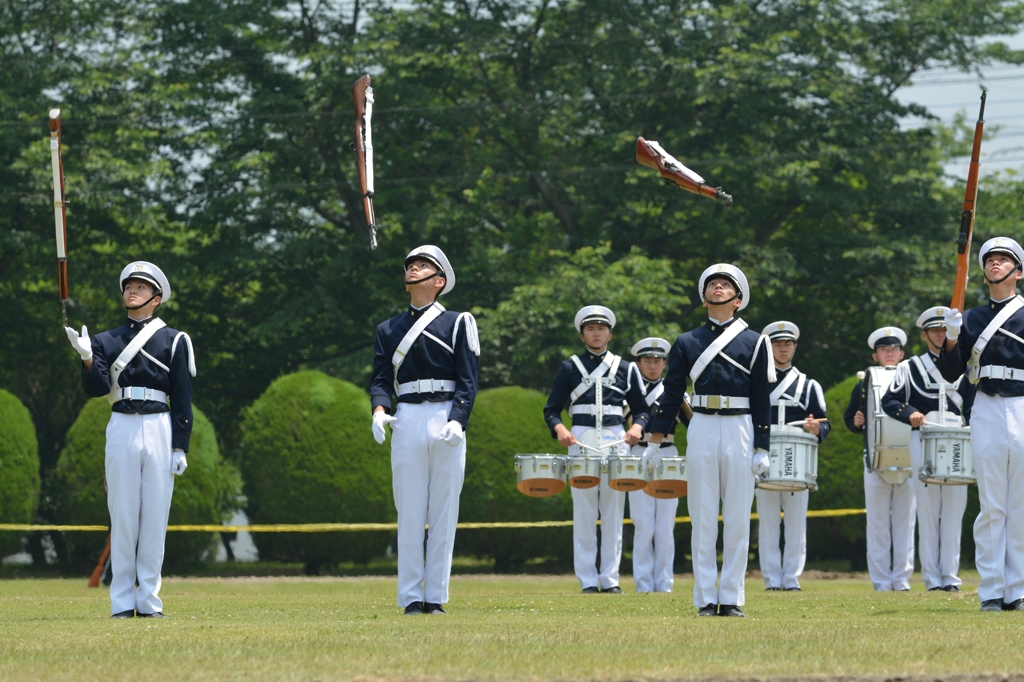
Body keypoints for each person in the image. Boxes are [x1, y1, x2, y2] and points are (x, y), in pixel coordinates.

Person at [65, 262, 195, 619]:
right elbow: (97, 390)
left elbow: (182, 396)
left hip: (159, 424)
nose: (132, 291)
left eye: (140, 287)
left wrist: (180, 444)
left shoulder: (175, 340)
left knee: (154, 518)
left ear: (156, 298)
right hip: (121, 423)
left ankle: (149, 602)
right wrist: (88, 357)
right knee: (122, 516)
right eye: (128, 286)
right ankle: (121, 601)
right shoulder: (105, 340)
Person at [643, 264, 774, 617]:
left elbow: (763, 397)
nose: (718, 287)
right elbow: (671, 394)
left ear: (738, 299)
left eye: (726, 284)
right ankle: (704, 598)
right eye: (712, 284)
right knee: (701, 515)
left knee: (736, 517)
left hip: (741, 427)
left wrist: (763, 446)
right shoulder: (687, 341)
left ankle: (730, 597)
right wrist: (655, 440)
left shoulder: (757, 341)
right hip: (700, 424)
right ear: (704, 298)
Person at [369, 245, 480, 616]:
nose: (414, 269)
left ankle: (436, 597)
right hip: (408, 417)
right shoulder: (388, 329)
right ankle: (411, 598)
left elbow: (469, 379)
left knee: (444, 511)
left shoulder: (459, 322)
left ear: (439, 281)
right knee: (410, 513)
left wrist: (458, 420)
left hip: (446, 415)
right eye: (411, 266)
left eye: (423, 266)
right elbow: (382, 378)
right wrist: (380, 410)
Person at [939, 237, 1024, 612]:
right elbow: (951, 372)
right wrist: (953, 337)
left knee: (1020, 504)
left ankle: (1017, 589)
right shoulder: (971, 317)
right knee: (992, 504)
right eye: (990, 259)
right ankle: (991, 589)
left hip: (1022, 403)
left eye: (1004, 259)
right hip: (987, 406)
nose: (995, 263)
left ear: (1017, 272)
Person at [543, 306, 650, 594]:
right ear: (582, 335)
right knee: (585, 513)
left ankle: (610, 579)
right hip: (581, 439)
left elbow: (641, 410)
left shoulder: (627, 369)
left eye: (601, 328)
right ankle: (588, 580)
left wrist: (637, 427)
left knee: (614, 513)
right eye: (590, 328)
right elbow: (551, 409)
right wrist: (560, 429)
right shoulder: (569, 367)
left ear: (610, 334)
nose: (597, 333)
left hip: (616, 440)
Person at [882, 306, 974, 593]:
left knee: (954, 510)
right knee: (928, 509)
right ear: (924, 335)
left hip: (957, 439)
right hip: (924, 438)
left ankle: (951, 577)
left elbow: (973, 404)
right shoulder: (909, 367)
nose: (940, 334)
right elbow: (890, 401)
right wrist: (910, 412)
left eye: (944, 330)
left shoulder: (966, 365)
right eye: (935, 330)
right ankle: (933, 580)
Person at [755, 321, 830, 592]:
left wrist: (816, 428)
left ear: (795, 347)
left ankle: (791, 579)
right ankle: (772, 580)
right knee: (768, 525)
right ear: (769, 348)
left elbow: (825, 423)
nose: (783, 348)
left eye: (787, 344)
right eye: (777, 344)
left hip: (796, 463)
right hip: (764, 458)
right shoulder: (758, 380)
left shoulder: (809, 385)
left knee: (797, 527)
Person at [843, 326, 916, 592]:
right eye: (883, 350)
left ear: (902, 353)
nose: (889, 353)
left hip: (908, 460)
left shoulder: (912, 380)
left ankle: (902, 579)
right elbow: (851, 418)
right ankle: (882, 582)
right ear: (874, 355)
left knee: (905, 524)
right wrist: (857, 422)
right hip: (874, 461)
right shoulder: (864, 384)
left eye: (893, 349)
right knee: (876, 525)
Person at [627, 337, 687, 593]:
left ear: (665, 363)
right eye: (647, 361)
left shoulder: (675, 390)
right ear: (638, 363)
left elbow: (692, 422)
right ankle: (643, 584)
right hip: (637, 452)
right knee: (643, 523)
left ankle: (664, 584)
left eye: (658, 361)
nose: (653, 366)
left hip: (668, 453)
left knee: (665, 525)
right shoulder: (629, 390)